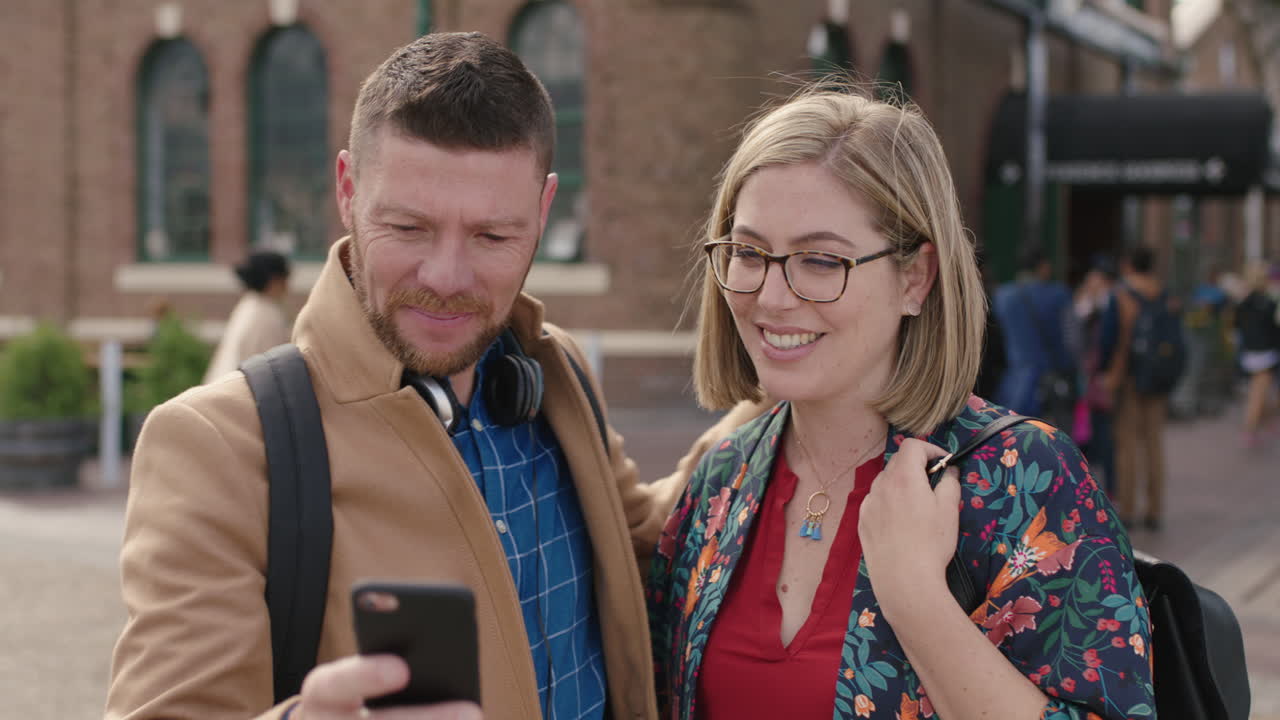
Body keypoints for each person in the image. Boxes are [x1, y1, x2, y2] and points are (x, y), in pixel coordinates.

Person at [107, 32, 757, 720]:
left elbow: (650, 539)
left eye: (492, 237)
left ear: (543, 211)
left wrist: (795, 386)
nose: (446, 278)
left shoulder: (553, 368)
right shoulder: (216, 445)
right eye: (408, 228)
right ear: (347, 190)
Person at [647, 87, 1154, 720]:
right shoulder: (722, 480)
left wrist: (915, 598)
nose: (771, 297)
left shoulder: (1023, 478)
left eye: (821, 260)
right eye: (748, 253)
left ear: (915, 278)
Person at [1099, 246, 1175, 531]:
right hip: (1158, 377)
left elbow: (1108, 339)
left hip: (1128, 376)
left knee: (1126, 444)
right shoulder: (1164, 294)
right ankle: (1155, 510)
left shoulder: (1121, 294)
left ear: (1129, 264)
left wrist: (1105, 371)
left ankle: (1128, 510)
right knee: (1154, 443)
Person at [993, 247, 1077, 429]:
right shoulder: (1058, 294)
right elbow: (1072, 339)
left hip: (1014, 384)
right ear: (1043, 266)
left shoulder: (1002, 296)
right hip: (1050, 382)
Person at [203, 251, 294, 383]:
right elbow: (273, 368)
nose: (288, 285)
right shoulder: (267, 314)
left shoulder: (249, 304)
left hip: (220, 386)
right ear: (274, 280)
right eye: (285, 278)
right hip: (240, 390)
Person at [1072, 255, 1117, 494]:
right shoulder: (1086, 304)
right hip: (1087, 379)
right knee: (1087, 432)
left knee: (1104, 434)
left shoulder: (1111, 304)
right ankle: (1091, 486)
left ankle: (1109, 487)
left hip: (1100, 380)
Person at [1235, 260, 1280, 448]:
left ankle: (1264, 423)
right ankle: (1250, 429)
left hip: (1250, 353)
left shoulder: (1244, 303)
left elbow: (1238, 327)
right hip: (1265, 354)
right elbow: (1274, 330)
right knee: (1258, 394)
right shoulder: (1268, 303)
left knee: (1262, 393)